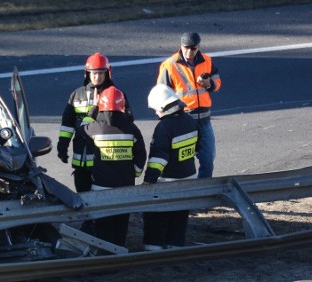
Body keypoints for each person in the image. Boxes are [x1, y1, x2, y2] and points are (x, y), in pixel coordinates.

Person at [79, 86, 146, 247]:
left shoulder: (95, 127)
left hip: (101, 186)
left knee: (103, 224)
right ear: (122, 105)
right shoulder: (131, 128)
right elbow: (141, 154)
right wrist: (134, 173)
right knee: (122, 222)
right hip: (125, 186)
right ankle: (120, 248)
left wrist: (93, 109)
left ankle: (107, 254)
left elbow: (81, 130)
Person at [57, 52, 133, 193]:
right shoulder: (76, 95)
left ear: (107, 73)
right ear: (87, 73)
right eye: (94, 73)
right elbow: (67, 124)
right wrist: (62, 145)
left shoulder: (116, 94)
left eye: (101, 73)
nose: (97, 77)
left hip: (103, 159)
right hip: (81, 158)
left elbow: (128, 121)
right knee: (82, 192)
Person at [156, 31, 221, 178]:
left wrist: (209, 83)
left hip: (204, 119)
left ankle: (203, 189)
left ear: (198, 47)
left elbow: (217, 82)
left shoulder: (207, 61)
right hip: (183, 120)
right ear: (181, 46)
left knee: (208, 159)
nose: (189, 52)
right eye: (186, 48)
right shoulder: (169, 65)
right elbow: (161, 92)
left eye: (193, 48)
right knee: (183, 160)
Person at [142, 84, 199, 249]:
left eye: (155, 109)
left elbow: (158, 158)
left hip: (167, 181)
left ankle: (153, 247)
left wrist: (149, 181)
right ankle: (175, 246)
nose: (155, 113)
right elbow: (198, 145)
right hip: (189, 177)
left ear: (163, 107)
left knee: (157, 215)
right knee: (180, 214)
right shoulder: (190, 120)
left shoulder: (164, 127)